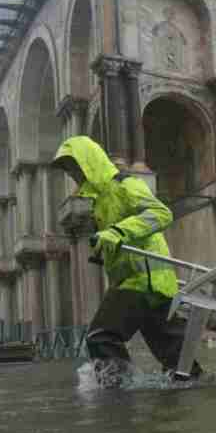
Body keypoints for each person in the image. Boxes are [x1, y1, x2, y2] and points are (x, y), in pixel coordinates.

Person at [51, 136, 199, 387]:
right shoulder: (100, 202)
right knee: (178, 361)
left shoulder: (124, 184)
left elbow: (161, 213)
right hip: (151, 282)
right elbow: (121, 239)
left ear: (90, 162)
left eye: (75, 167)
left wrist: (117, 232)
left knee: (101, 336)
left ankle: (118, 393)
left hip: (143, 279)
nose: (73, 175)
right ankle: (202, 388)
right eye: (69, 170)